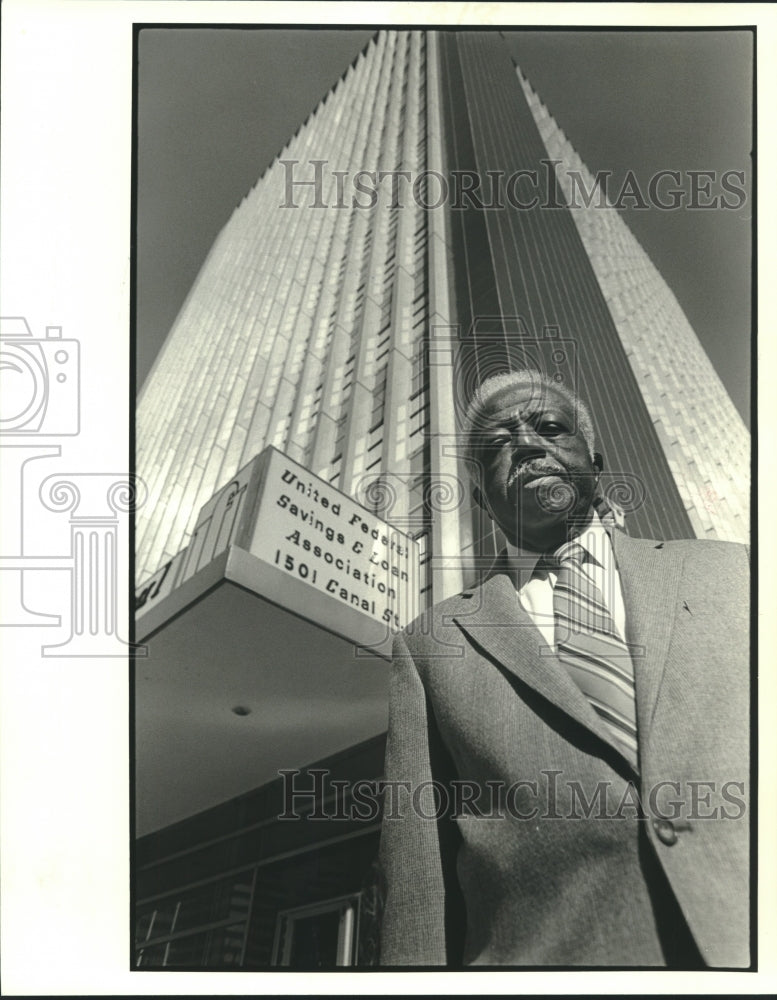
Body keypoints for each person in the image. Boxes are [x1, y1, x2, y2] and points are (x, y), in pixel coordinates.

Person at [378, 369, 749, 968]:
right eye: (498, 446)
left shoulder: (735, 573)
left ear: (594, 460)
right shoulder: (429, 646)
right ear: (479, 496)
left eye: (549, 427)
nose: (525, 444)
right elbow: (418, 879)